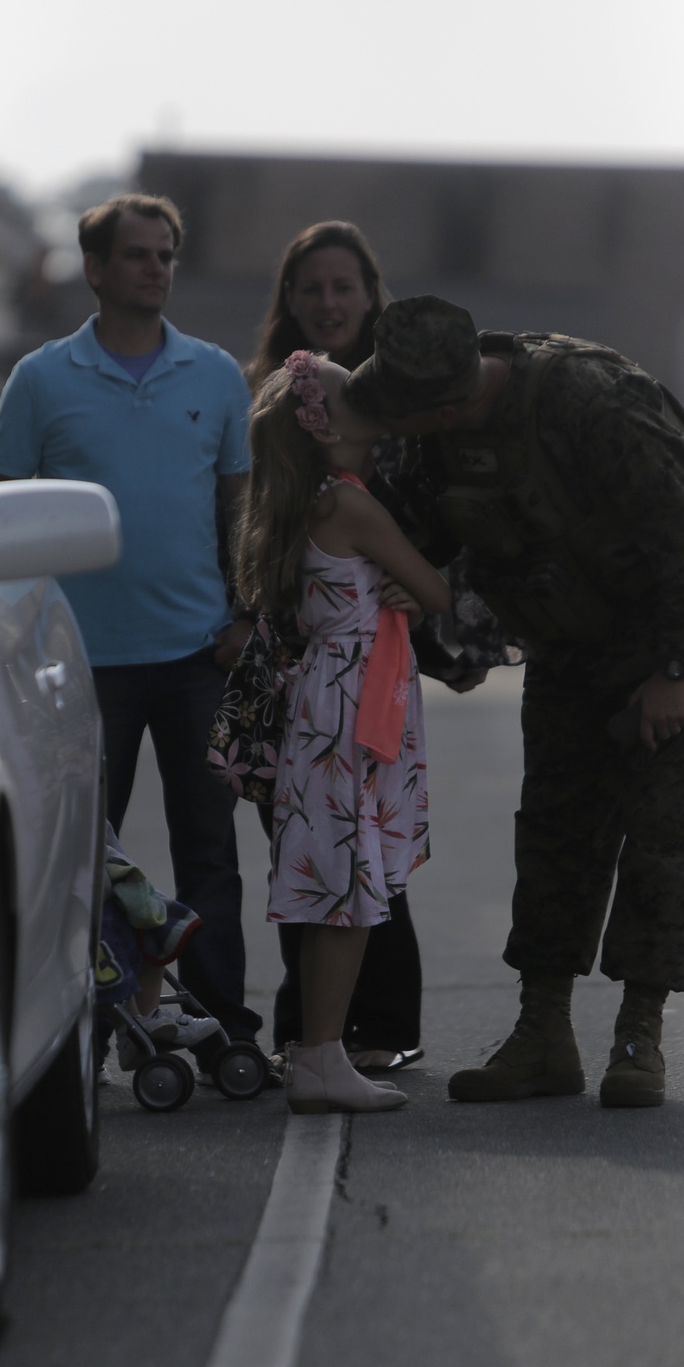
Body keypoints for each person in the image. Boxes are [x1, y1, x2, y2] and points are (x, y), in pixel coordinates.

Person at [343, 295, 684, 1108]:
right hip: (572, 644)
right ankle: (543, 1035)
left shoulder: (592, 402)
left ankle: (639, 1034)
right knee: (555, 832)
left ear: (449, 402)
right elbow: (428, 528)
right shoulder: (438, 435)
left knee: (665, 839)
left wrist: (676, 670)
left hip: (678, 640)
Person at [0, 192, 264, 1063]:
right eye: (138, 254)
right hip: (78, 665)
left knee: (209, 854)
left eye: (167, 254)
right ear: (96, 269)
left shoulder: (215, 376)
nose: (157, 268)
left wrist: (244, 617)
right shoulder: (41, 380)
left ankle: (219, 1027)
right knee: (76, 862)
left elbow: (242, 507)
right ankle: (94, 1031)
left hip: (194, 658)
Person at [247, 221, 494, 1075]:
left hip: (325, 673)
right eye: (310, 287)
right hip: (350, 691)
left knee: (331, 863)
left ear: (368, 293)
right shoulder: (341, 485)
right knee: (351, 867)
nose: (327, 302)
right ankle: (319, 1042)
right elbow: (430, 583)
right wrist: (408, 574)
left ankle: (340, 1033)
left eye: (342, 286)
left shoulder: (296, 479)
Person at [234, 350, 453, 1113]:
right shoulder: (351, 506)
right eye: (340, 386)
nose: (358, 386)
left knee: (342, 887)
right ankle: (322, 1057)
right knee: (350, 893)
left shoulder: (311, 504)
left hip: (328, 702)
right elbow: (432, 587)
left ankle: (318, 1053)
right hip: (351, 712)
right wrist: (415, 589)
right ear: (324, 429)